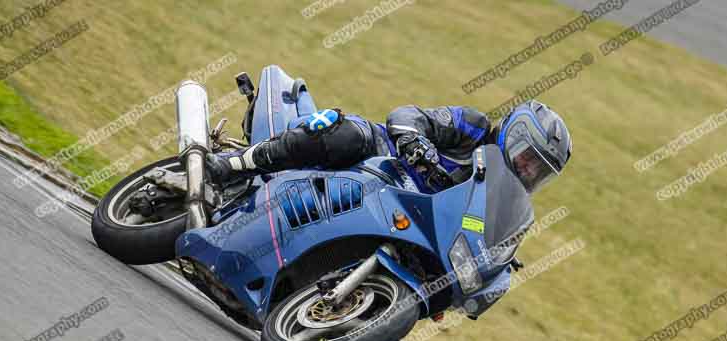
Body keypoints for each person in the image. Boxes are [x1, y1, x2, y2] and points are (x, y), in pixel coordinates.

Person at [205, 100, 571, 195]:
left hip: (400, 213)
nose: (528, 171)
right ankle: (237, 163)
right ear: (516, 136)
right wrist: (415, 141)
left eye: (538, 172)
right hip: (380, 158)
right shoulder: (472, 127)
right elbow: (407, 115)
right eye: (529, 160)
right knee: (345, 133)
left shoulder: (496, 195)